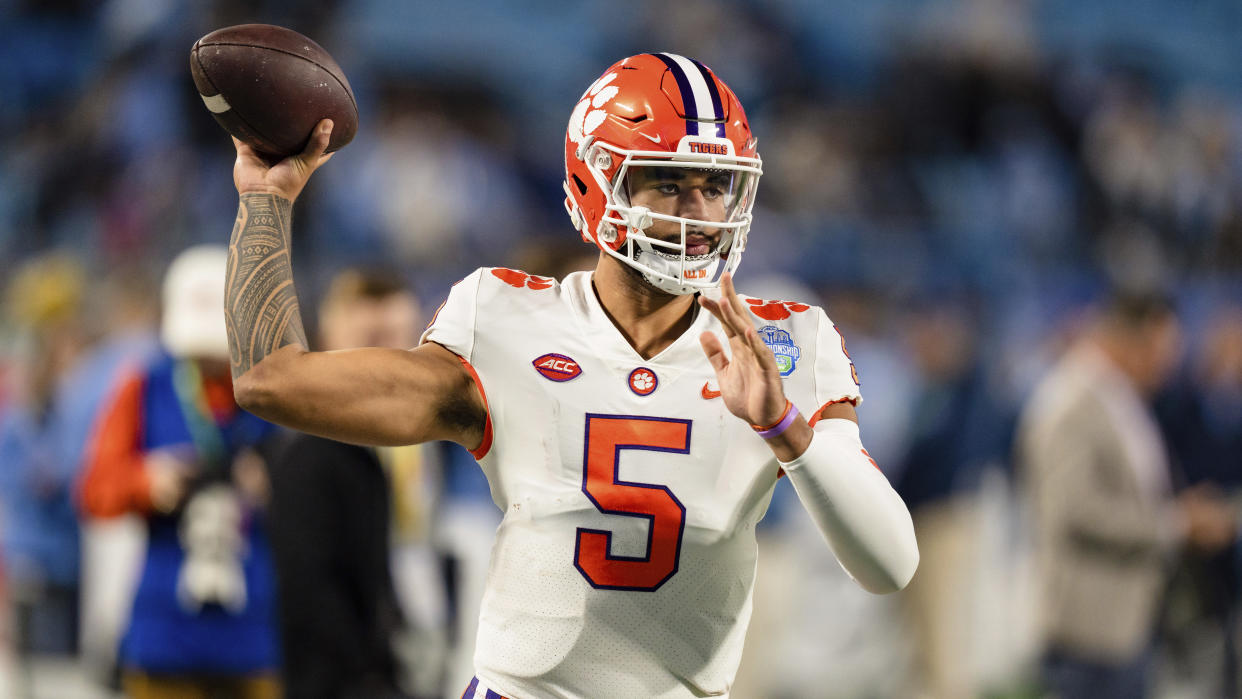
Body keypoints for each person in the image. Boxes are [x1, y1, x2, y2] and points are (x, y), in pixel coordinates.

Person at [222, 53, 919, 698]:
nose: (699, 212)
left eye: (716, 185)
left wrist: (784, 428)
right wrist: (265, 200)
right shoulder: (504, 319)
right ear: (595, 181)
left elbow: (890, 564)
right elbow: (270, 381)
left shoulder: (781, 342)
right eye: (669, 182)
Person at [80, 246, 282, 699]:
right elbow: (94, 492)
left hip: (253, 629)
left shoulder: (276, 392)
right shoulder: (144, 385)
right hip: (163, 629)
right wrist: (146, 482)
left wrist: (273, 486)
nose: (209, 360)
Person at [1016, 292, 1237, 699]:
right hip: (1090, 627)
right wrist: (1179, 522)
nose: (1167, 365)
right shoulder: (1071, 401)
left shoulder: (1119, 396)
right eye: (1161, 350)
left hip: (1126, 621)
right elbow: (1077, 510)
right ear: (1128, 339)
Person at [266, 268, 419, 699]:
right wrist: (368, 672)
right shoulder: (316, 448)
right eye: (371, 340)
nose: (385, 358)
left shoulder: (432, 440)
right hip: (349, 677)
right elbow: (310, 588)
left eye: (396, 339)